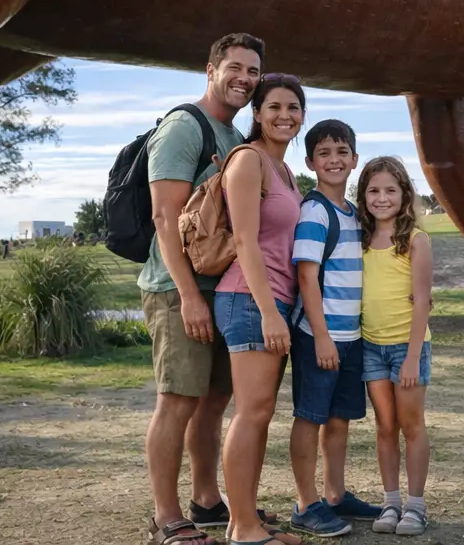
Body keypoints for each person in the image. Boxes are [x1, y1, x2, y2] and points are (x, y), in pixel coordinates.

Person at [141, 33, 263, 545]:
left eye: (253, 72)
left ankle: (207, 501)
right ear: (210, 69)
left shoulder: (232, 137)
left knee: (213, 401)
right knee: (177, 401)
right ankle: (166, 516)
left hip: (222, 289)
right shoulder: (183, 127)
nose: (244, 79)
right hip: (178, 289)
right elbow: (164, 217)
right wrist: (189, 295)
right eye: (235, 67)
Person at [214, 73, 307, 545]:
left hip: (272, 300)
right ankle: (244, 528)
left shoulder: (285, 171)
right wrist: (270, 313)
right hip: (250, 300)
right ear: (256, 113)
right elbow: (245, 240)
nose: (284, 115)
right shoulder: (249, 161)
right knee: (251, 412)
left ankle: (243, 521)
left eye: (293, 107)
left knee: (260, 412)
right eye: (274, 107)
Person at [287, 120, 381, 538]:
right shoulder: (315, 210)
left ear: (355, 160)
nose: (334, 160)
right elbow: (307, 278)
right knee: (310, 417)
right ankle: (306, 503)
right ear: (310, 162)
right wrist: (321, 335)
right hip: (318, 336)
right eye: (324, 153)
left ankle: (336, 495)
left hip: (352, 338)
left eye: (342, 152)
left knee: (339, 419)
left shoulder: (353, 213)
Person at [359, 157, 434, 536]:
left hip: (408, 347)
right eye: (374, 190)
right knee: (384, 426)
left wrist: (411, 358)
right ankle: (390, 503)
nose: (382, 198)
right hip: (371, 347)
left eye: (390, 190)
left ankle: (416, 507)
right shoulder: (360, 238)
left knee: (411, 425)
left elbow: (422, 301)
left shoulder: (415, 240)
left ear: (404, 194)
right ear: (364, 195)